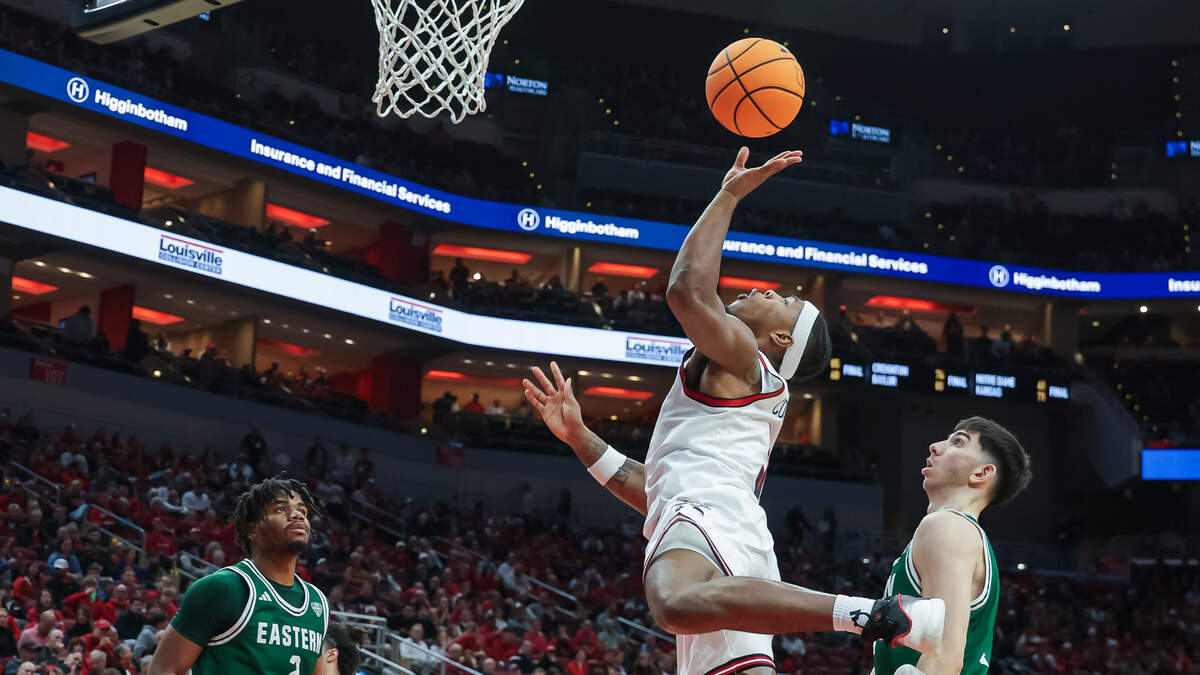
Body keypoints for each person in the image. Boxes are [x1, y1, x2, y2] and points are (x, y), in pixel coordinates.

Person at [522, 148, 944, 675]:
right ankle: (875, 616)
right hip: (729, 535)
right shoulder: (745, 390)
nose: (765, 289)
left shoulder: (745, 357)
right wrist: (580, 437)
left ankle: (874, 614)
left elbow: (685, 292)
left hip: (709, 521)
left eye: (781, 300)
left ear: (781, 338)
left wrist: (729, 194)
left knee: (671, 602)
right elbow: (658, 491)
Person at [873, 418, 1032, 675]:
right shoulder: (959, 533)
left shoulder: (948, 526)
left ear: (981, 473)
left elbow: (944, 659)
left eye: (958, 442)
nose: (935, 446)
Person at [146, 477, 328, 675]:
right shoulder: (224, 587)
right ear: (252, 529)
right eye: (281, 509)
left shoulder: (318, 603)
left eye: (302, 511)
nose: (297, 515)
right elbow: (162, 669)